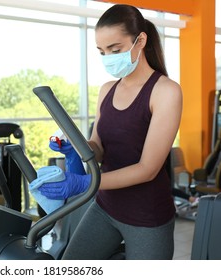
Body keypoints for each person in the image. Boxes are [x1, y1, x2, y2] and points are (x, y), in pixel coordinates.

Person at [37, 4, 183, 259]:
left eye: (115, 50)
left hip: (147, 216)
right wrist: (80, 149)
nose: (108, 58)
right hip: (106, 207)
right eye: (102, 51)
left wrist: (85, 183)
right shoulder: (107, 90)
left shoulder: (165, 91)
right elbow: (99, 147)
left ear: (141, 40)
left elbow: (147, 169)